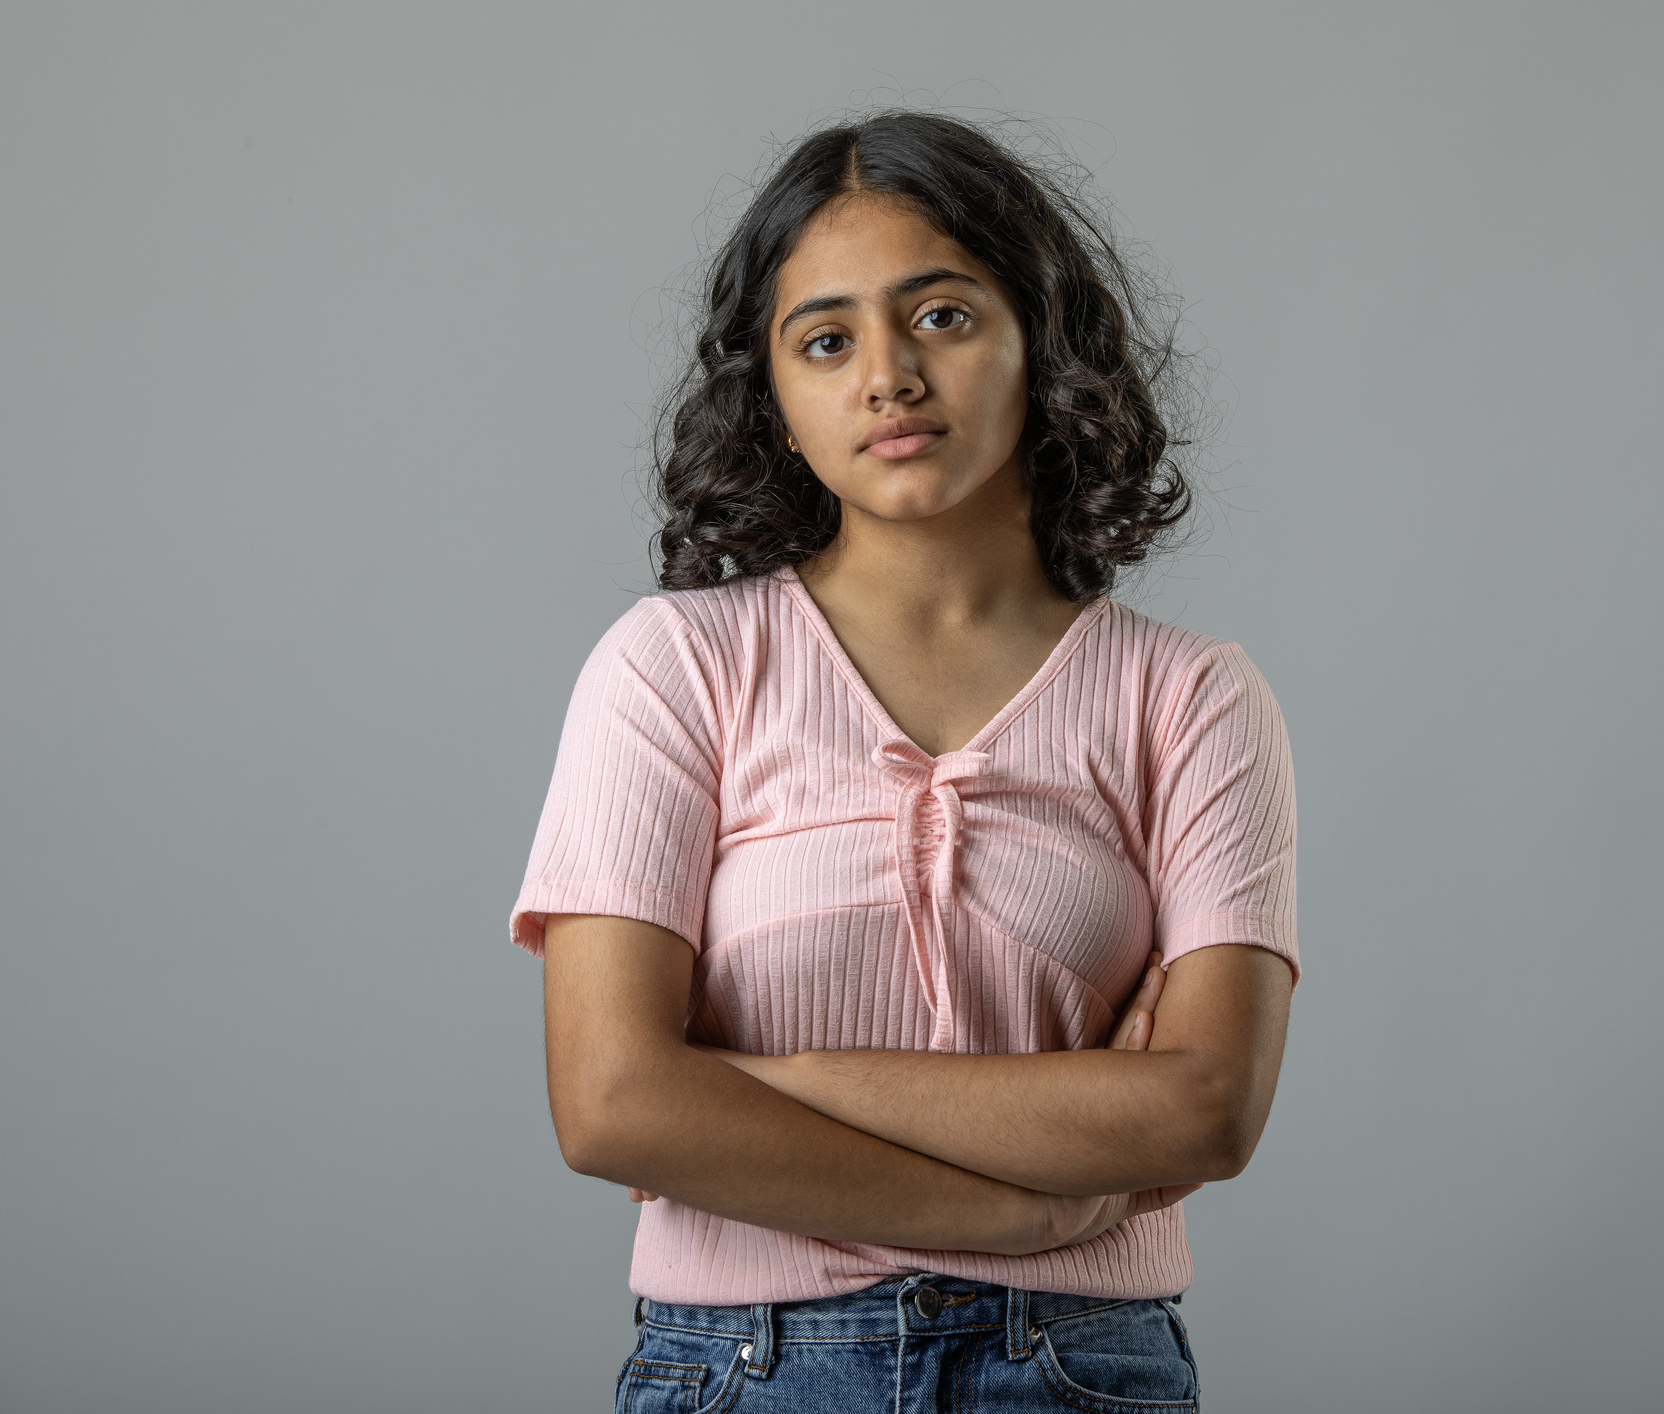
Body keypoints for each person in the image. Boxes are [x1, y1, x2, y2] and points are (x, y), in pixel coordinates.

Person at [510, 110, 1298, 1412]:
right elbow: (608, 1102)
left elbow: (1204, 1108)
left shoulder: (1193, 697)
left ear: (1040, 338)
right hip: (744, 1369)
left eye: (939, 315)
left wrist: (754, 1081)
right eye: (826, 339)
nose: (887, 375)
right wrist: (1009, 1214)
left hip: (1075, 1371)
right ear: (775, 397)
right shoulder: (674, 666)